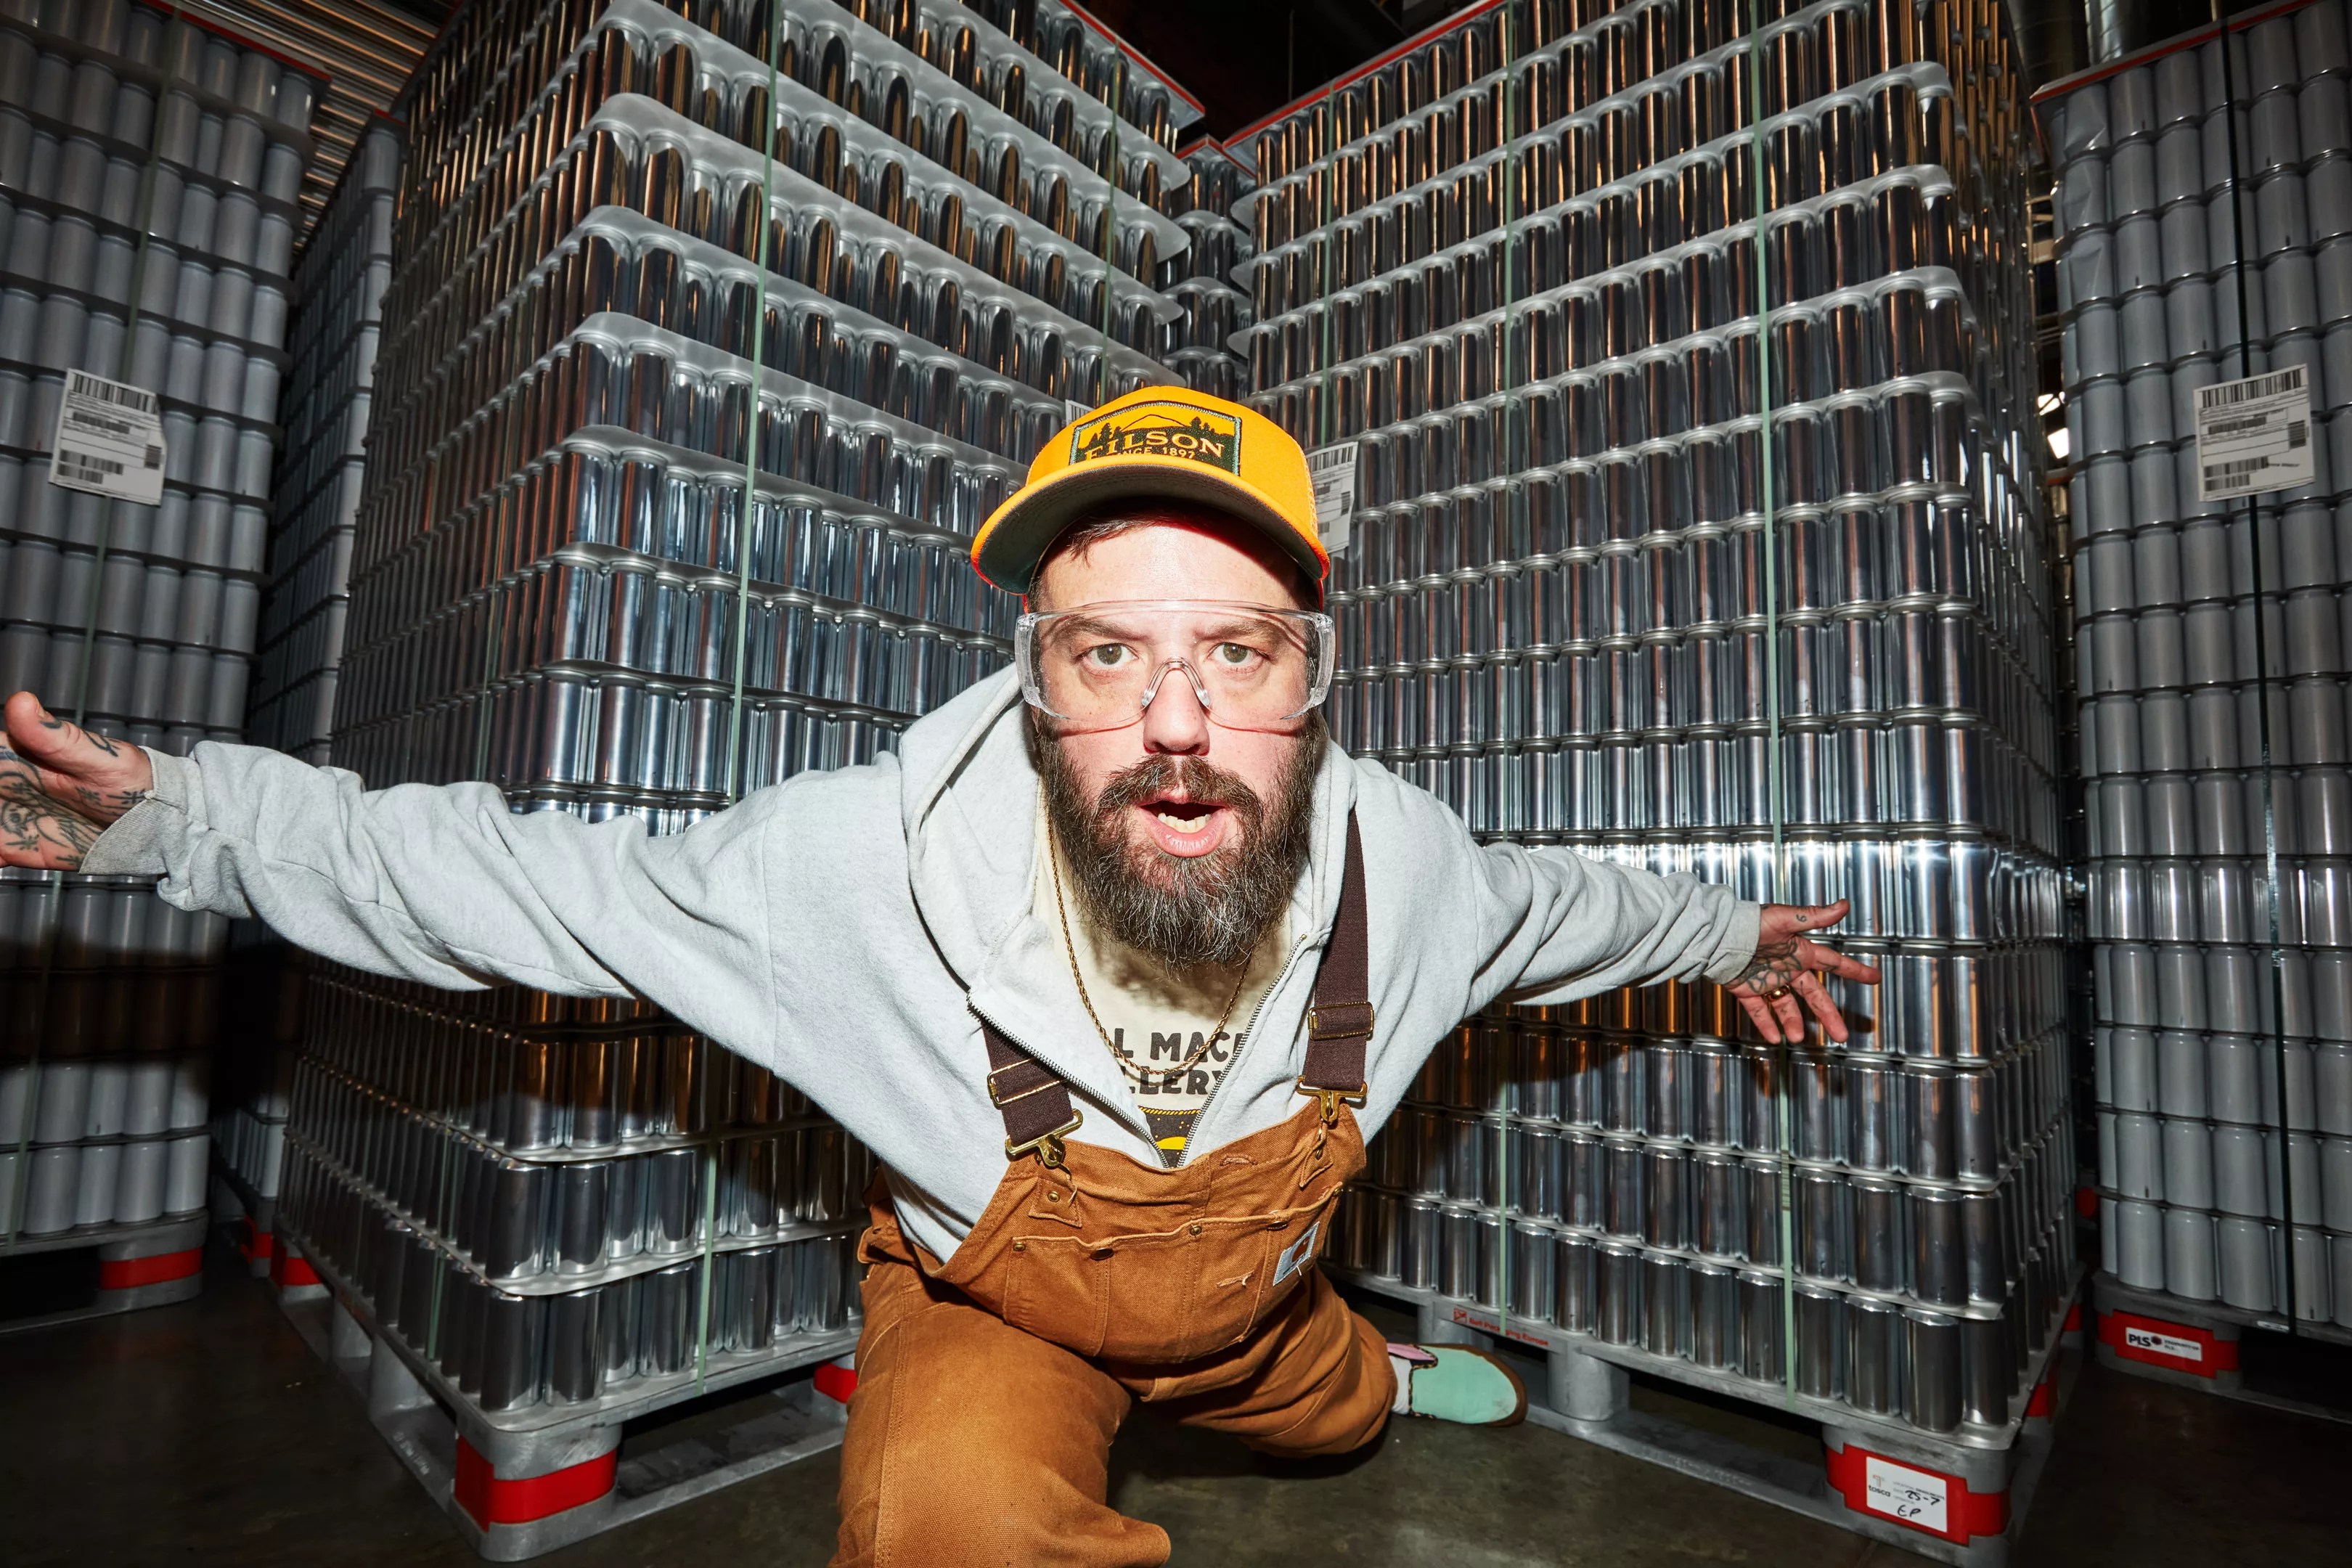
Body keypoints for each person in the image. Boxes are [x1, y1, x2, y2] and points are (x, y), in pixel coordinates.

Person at [0, 386, 1877, 1566]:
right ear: (1031, 677)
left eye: (1236, 653)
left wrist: (1741, 939)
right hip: (993, 1307)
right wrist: (179, 819)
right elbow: (516, 881)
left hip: (1261, 1305)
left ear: (1312, 679)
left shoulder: (1417, 868)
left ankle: (1372, 1371)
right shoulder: (845, 868)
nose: (1176, 722)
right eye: (1107, 654)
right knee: (941, 1526)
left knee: (1335, 1417)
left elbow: (1581, 913)